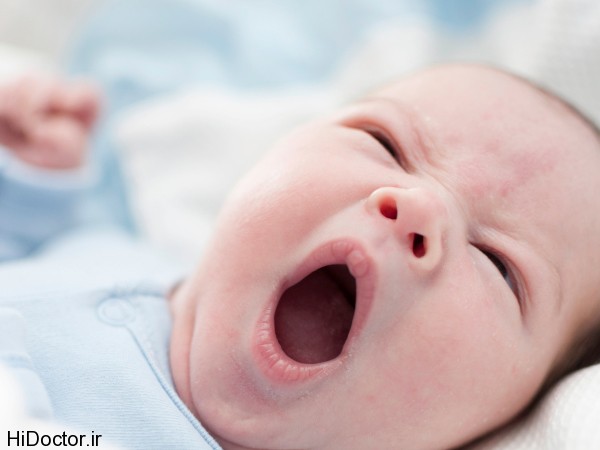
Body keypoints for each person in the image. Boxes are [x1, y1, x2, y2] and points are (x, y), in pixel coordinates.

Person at [1, 63, 600, 450]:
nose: (419, 206)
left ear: (508, 421)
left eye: (499, 265)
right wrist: (31, 177)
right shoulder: (111, 246)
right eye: (384, 143)